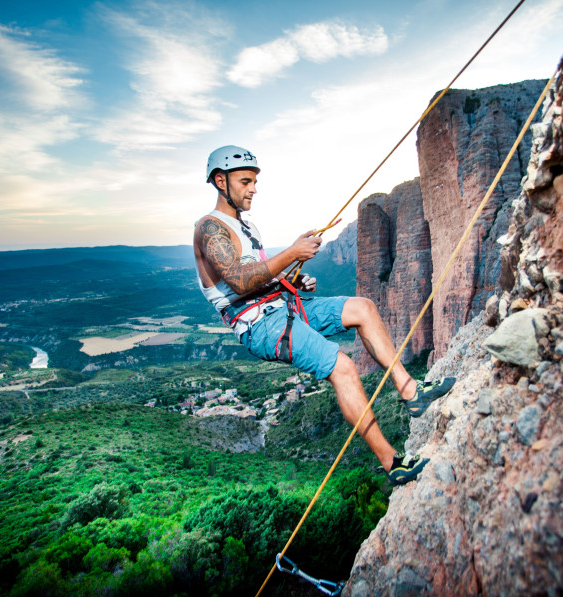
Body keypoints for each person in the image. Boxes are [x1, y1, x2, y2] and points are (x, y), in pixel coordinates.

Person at [193, 145, 454, 485]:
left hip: (283, 306)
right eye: (245, 181)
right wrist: (292, 253)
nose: (253, 189)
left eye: (254, 181)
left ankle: (411, 393)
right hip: (260, 324)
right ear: (220, 181)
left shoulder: (246, 228)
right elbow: (239, 280)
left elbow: (259, 273)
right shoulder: (210, 229)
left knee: (363, 308)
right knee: (343, 367)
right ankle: (394, 464)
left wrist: (295, 279)